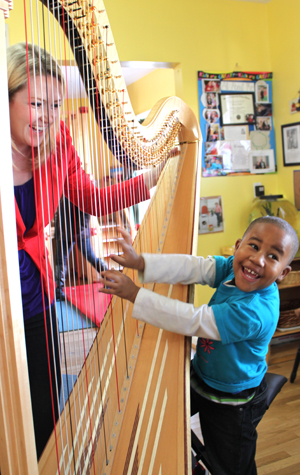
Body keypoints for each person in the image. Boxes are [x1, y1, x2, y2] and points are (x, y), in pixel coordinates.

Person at [8, 42, 163, 459]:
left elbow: (95, 200)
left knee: (45, 409)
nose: (48, 116)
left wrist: (151, 177)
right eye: (37, 103)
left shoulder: (59, 144)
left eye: (56, 105)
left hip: (36, 297)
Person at [98, 217, 299, 475]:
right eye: (254, 246)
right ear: (238, 247)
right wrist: (141, 262)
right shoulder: (233, 268)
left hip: (232, 401)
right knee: (161, 418)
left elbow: (194, 321)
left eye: (273, 256)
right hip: (202, 375)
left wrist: (136, 294)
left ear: (283, 273)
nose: (258, 259)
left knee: (232, 467)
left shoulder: (255, 311)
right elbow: (196, 267)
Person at [54, 197, 107, 300]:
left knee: (91, 257)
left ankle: (109, 278)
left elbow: (86, 215)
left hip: (78, 232)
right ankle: (59, 291)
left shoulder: (80, 194)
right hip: (66, 232)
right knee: (60, 261)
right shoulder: (66, 193)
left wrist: (80, 230)